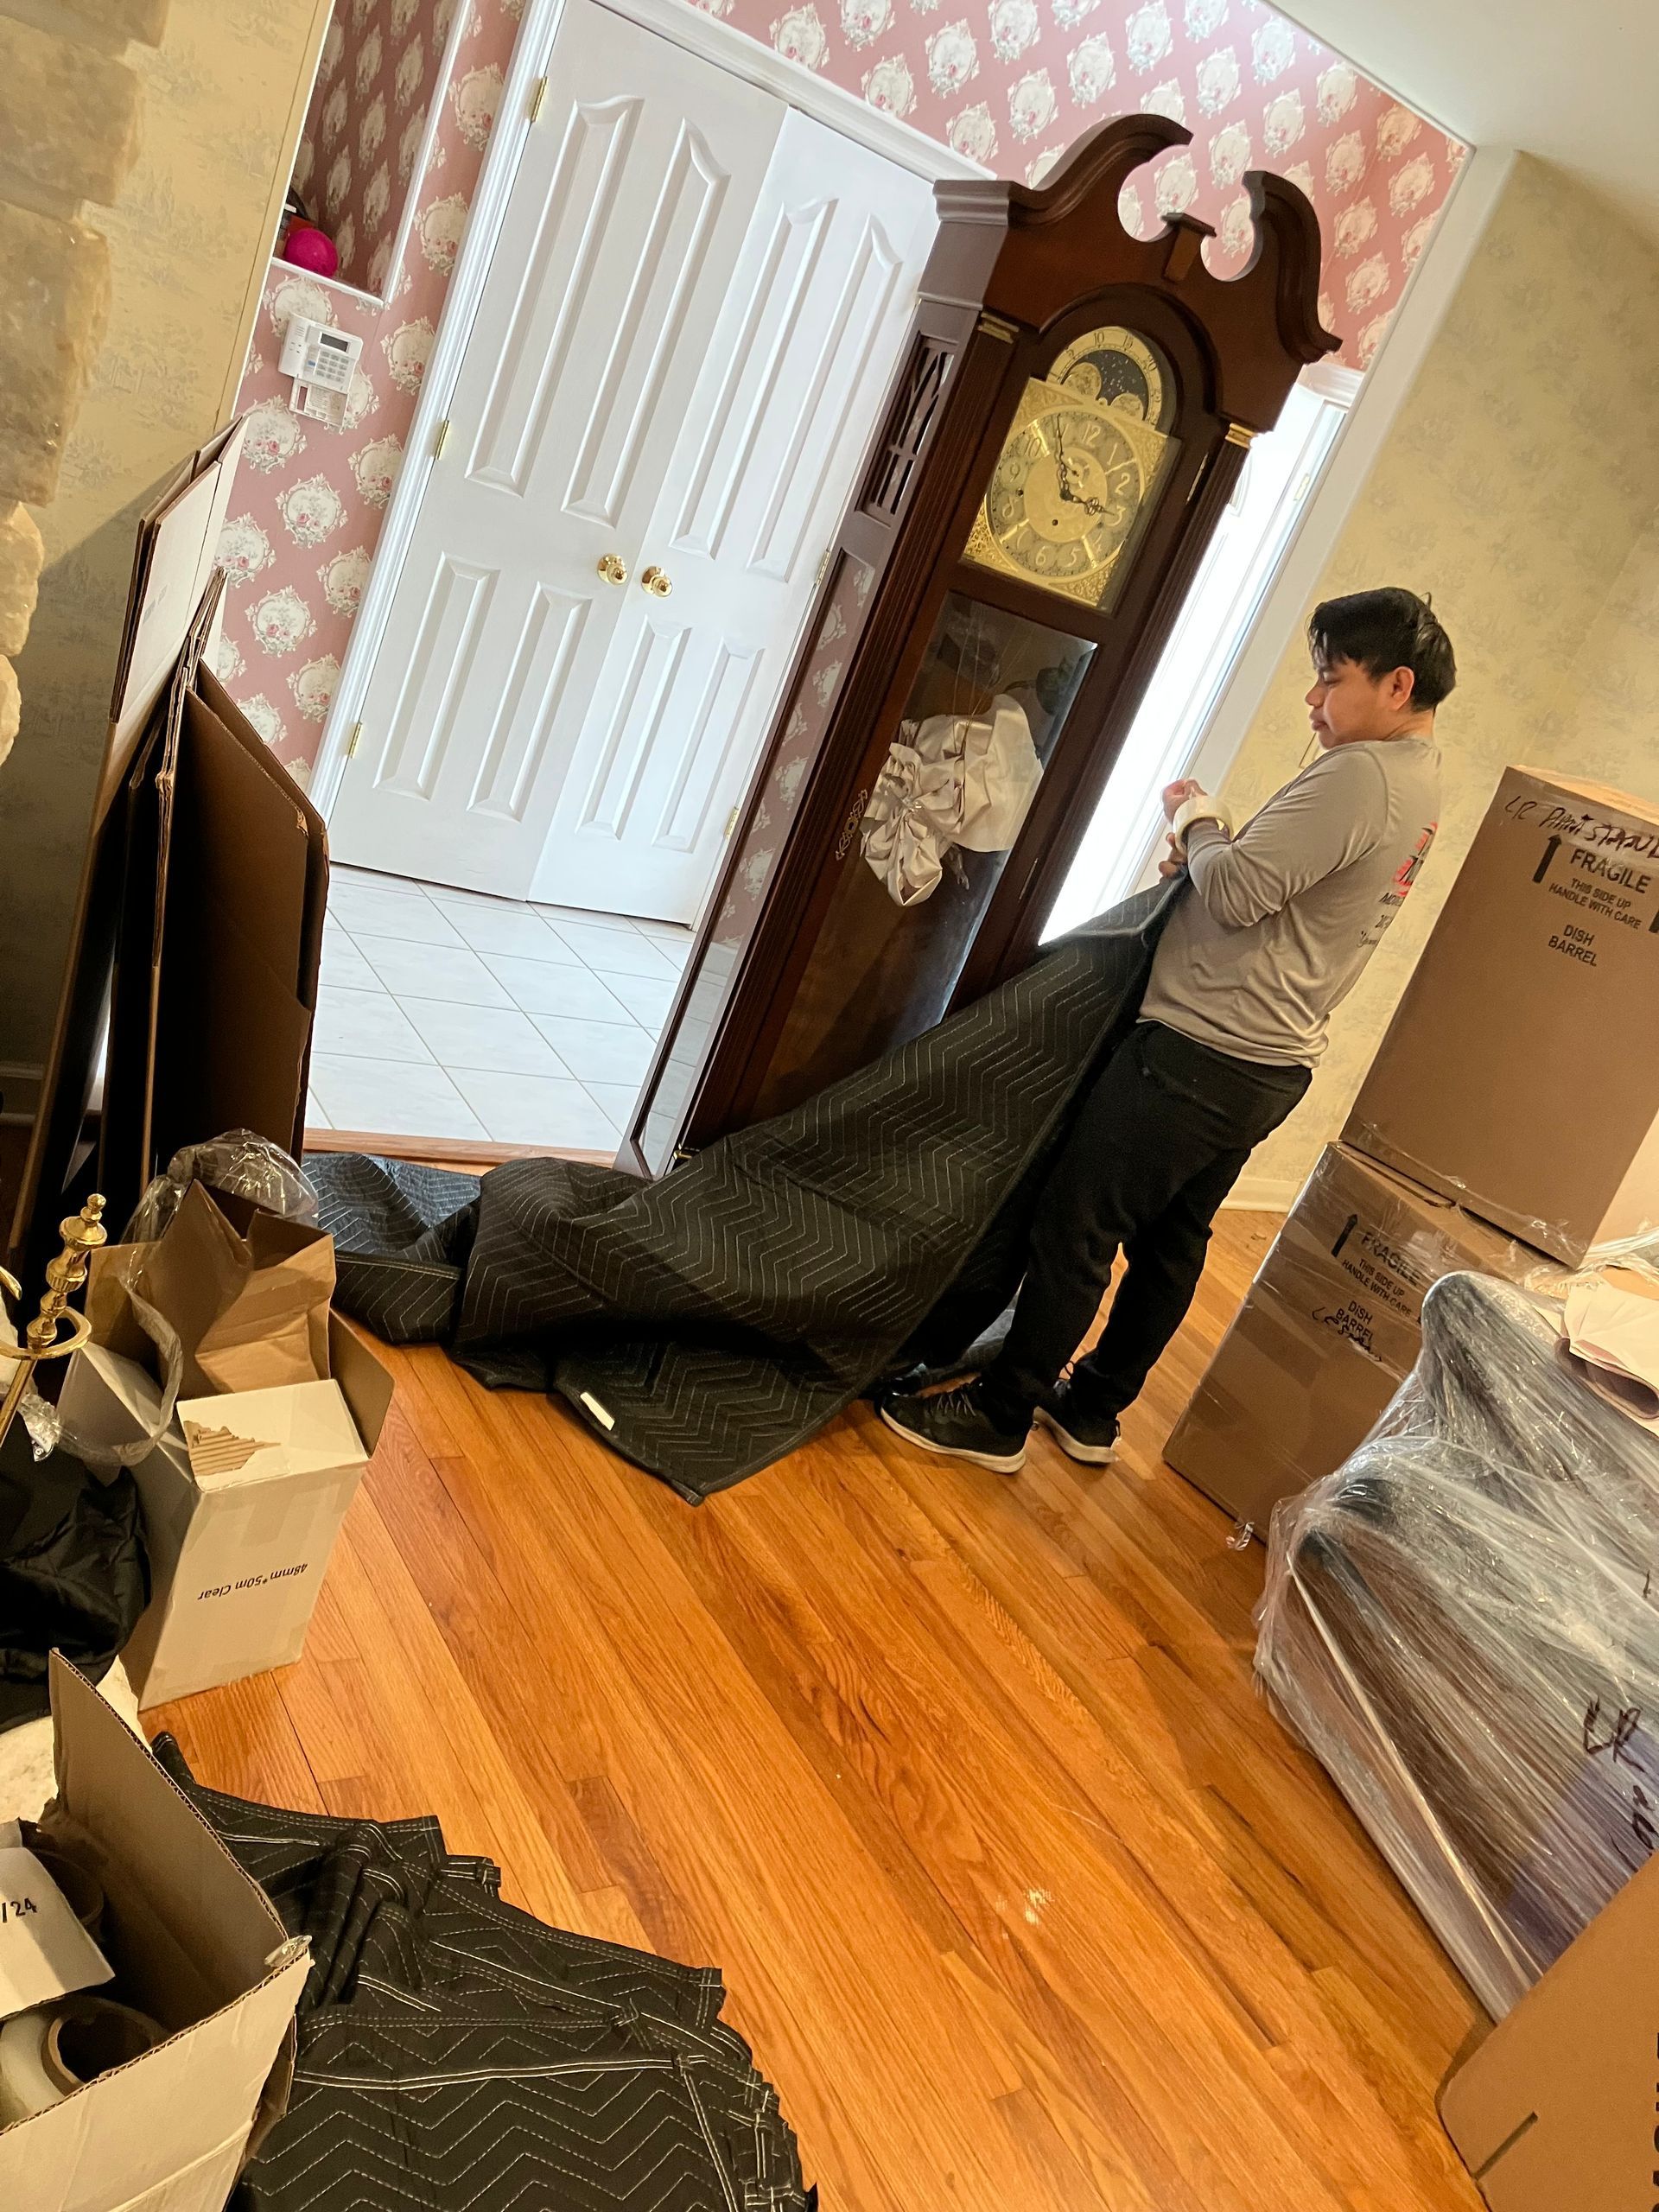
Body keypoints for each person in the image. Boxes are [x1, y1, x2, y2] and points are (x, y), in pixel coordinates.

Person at [880, 585, 1455, 1474]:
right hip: (1269, 1058)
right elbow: (1272, 892)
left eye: (1329, 678)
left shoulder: (1360, 776)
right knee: (1173, 1240)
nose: (1311, 699)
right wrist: (1211, 851)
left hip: (1200, 1051)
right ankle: (1094, 1410)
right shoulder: (1422, 779)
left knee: (1078, 1222)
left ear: (1396, 684)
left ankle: (1000, 1414)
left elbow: (1236, 890)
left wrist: (1197, 820)